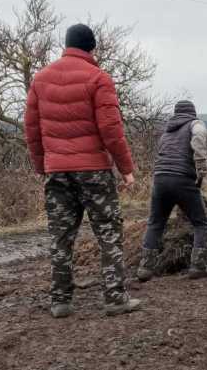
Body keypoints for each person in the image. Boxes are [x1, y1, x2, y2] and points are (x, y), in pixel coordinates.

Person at [24, 23, 142, 318]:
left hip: (57, 172)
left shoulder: (40, 80)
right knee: (108, 234)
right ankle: (115, 298)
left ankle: (61, 301)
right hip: (94, 172)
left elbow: (32, 129)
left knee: (60, 237)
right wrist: (126, 168)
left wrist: (43, 166)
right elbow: (111, 129)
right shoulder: (98, 78)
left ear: (66, 45)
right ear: (92, 48)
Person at [137, 100, 207, 281]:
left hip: (160, 179)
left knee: (155, 222)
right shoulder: (195, 124)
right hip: (182, 179)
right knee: (201, 223)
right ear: (193, 112)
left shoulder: (166, 132)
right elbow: (200, 137)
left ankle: (146, 268)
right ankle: (198, 266)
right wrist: (201, 168)